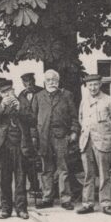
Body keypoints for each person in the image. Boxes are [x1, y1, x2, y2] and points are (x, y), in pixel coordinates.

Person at [29, 69, 80, 210]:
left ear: (58, 81)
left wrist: (74, 131)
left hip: (61, 136)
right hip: (43, 137)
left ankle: (65, 199)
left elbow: (74, 117)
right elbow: (32, 119)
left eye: (54, 80)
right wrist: (33, 136)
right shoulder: (38, 97)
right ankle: (47, 198)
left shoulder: (67, 95)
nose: (51, 82)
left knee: (63, 168)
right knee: (46, 169)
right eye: (49, 80)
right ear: (44, 82)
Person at [77, 73, 111, 215]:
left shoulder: (109, 101)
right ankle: (88, 203)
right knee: (88, 174)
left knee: (104, 174)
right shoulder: (84, 101)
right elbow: (81, 118)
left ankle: (106, 203)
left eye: (95, 84)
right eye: (90, 85)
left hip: (103, 142)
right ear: (86, 86)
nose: (92, 87)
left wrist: (108, 137)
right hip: (87, 141)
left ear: (100, 85)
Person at [0, 78, 33, 220]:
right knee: (4, 179)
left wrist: (19, 108)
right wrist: (2, 106)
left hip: (20, 145)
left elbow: (33, 120)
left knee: (20, 178)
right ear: (0, 95)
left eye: (10, 91)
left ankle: (21, 209)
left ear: (13, 91)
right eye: (4, 92)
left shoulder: (23, 102)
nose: (8, 94)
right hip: (4, 147)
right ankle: (6, 208)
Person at [18, 72, 44, 206]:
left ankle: (47, 188)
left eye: (29, 82)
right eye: (25, 82)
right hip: (26, 132)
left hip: (40, 129)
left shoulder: (42, 92)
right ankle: (34, 185)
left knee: (43, 159)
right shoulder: (21, 95)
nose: (28, 85)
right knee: (28, 159)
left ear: (33, 81)